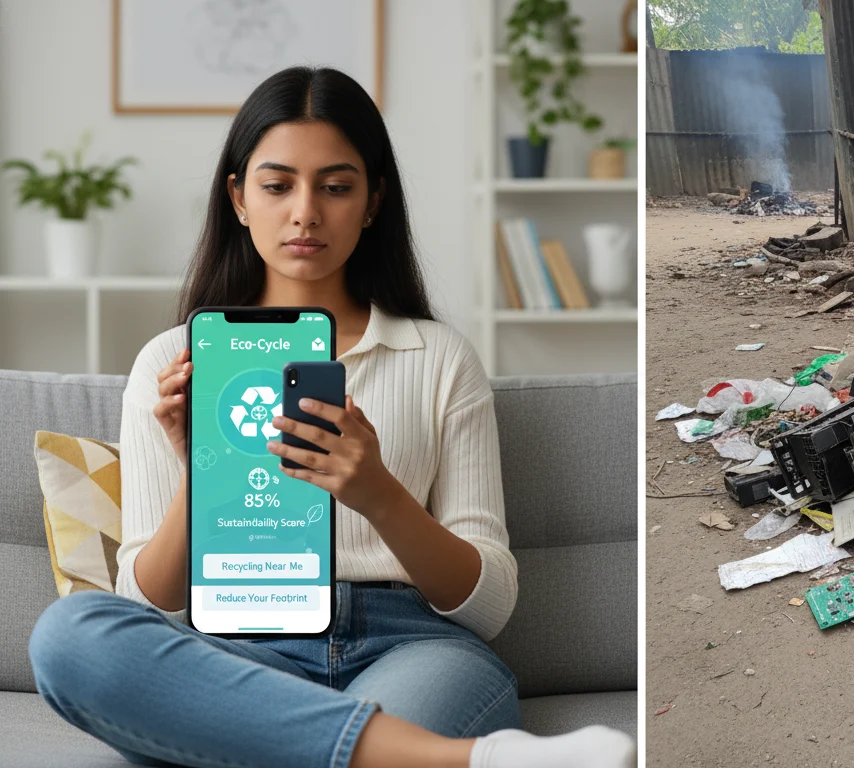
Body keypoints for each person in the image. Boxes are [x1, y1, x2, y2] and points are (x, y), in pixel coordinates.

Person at [27, 66, 634, 768]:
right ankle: (466, 761)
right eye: (278, 185)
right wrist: (207, 471)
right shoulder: (174, 363)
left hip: (411, 645)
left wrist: (376, 493)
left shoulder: (439, 357)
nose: (306, 212)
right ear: (239, 198)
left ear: (373, 200)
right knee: (69, 634)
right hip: (234, 649)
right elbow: (150, 603)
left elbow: (487, 605)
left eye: (336, 186)